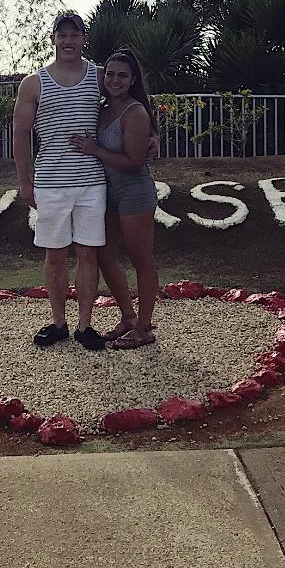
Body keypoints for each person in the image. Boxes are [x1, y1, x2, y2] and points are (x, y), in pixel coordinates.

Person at [14, 12, 148, 351]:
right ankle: (59, 322)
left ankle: (85, 325)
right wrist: (25, 182)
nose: (68, 41)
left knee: (89, 254)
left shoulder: (99, 76)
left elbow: (131, 99)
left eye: (75, 35)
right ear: (53, 39)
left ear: (84, 39)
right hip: (51, 182)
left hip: (91, 182)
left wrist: (154, 135)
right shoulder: (34, 83)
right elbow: (20, 133)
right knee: (55, 255)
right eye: (62, 35)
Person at [70, 49, 161, 349]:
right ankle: (128, 317)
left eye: (123, 75)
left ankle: (144, 328)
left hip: (134, 193)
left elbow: (135, 161)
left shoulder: (134, 112)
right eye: (110, 74)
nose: (115, 80)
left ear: (133, 79)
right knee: (104, 255)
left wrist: (95, 150)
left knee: (141, 259)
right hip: (108, 192)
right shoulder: (103, 107)